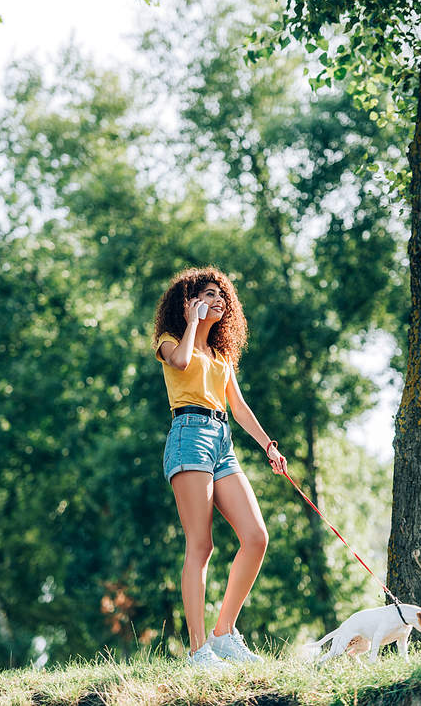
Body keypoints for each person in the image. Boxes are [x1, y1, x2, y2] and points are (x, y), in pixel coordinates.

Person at [153, 266, 287, 669]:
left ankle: (224, 633)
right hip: (188, 435)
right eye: (208, 294)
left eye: (221, 296)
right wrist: (192, 324)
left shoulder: (222, 355)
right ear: (189, 301)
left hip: (222, 441)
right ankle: (197, 651)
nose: (218, 301)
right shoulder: (170, 341)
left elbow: (239, 408)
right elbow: (179, 363)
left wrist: (268, 445)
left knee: (256, 536)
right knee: (201, 544)